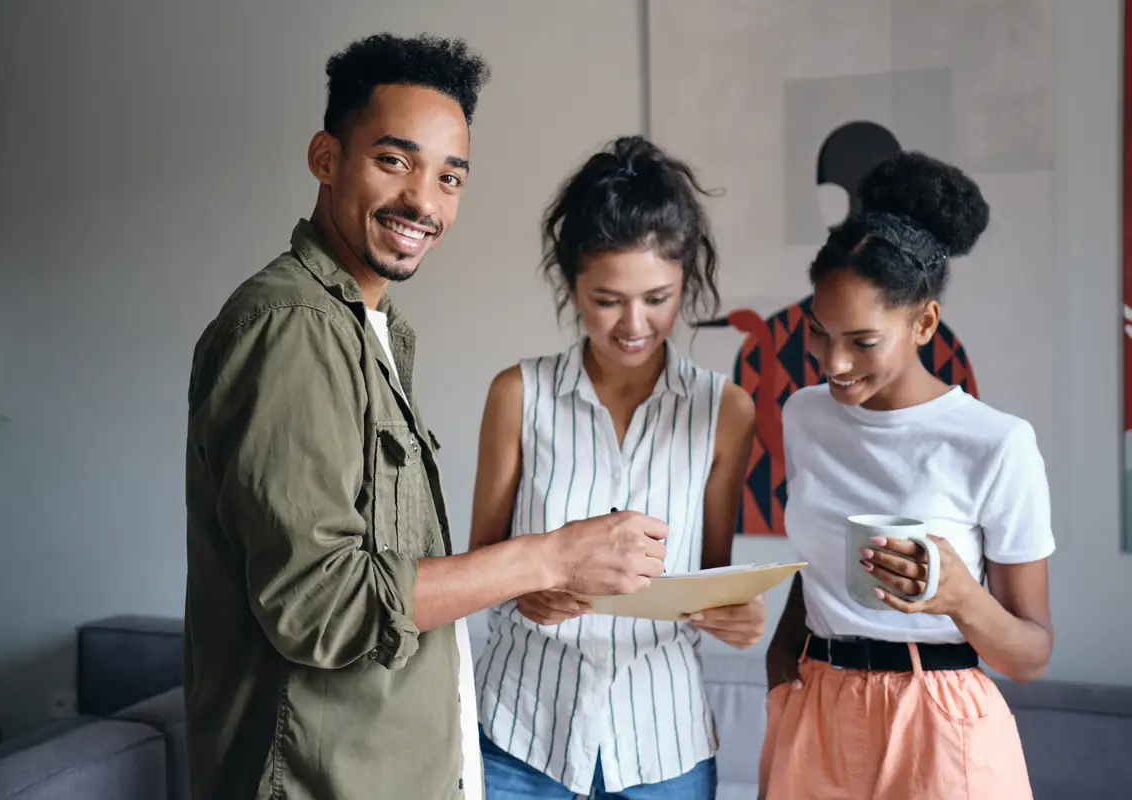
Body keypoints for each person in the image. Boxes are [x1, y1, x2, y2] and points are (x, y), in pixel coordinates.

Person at [183, 35, 672, 800]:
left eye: (450, 177)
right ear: (325, 157)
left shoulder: (376, 331)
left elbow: (393, 585)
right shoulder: (292, 327)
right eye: (394, 161)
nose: (424, 200)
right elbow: (319, 606)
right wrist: (549, 557)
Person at [469, 135, 765, 800]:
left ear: (685, 279)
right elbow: (480, 566)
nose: (635, 323)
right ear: (571, 284)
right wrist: (523, 587)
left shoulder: (726, 410)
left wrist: (735, 615)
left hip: (664, 746)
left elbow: (711, 580)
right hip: (521, 737)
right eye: (607, 300)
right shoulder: (519, 396)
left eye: (657, 297)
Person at [758, 151, 1054, 799]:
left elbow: (1030, 654)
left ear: (923, 322)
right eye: (819, 333)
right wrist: (782, 664)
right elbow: (816, 568)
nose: (833, 363)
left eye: (862, 342)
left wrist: (959, 595)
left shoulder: (996, 444)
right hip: (816, 712)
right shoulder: (804, 416)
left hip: (939, 718)